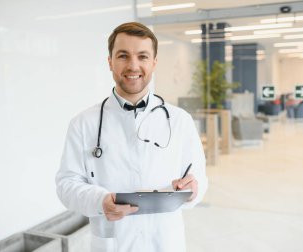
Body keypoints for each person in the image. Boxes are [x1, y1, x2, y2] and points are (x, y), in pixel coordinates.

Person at [55, 22, 208, 252]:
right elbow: (66, 185)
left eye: (143, 56)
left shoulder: (180, 121)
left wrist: (193, 189)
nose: (133, 65)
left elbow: (199, 179)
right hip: (113, 243)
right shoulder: (83, 123)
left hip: (165, 242)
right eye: (123, 56)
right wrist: (100, 201)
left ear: (154, 63)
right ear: (110, 62)